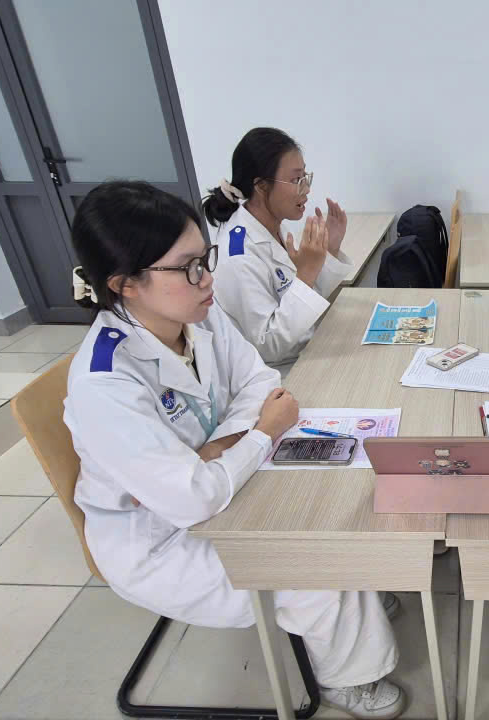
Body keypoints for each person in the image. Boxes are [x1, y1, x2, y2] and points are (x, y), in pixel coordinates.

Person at [64, 181, 406, 719]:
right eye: (187, 268)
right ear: (125, 284)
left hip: (224, 483)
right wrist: (260, 434)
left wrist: (218, 448)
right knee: (315, 558)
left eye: (205, 259)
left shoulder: (196, 313)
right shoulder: (105, 384)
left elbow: (260, 381)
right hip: (159, 541)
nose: (207, 278)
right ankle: (348, 679)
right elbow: (192, 500)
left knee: (338, 495)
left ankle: (354, 593)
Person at [202, 127, 352, 370]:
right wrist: (306, 274)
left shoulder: (271, 225)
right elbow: (268, 346)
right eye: (295, 180)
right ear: (261, 186)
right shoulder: (238, 255)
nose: (306, 189)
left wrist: (330, 250)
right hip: (279, 373)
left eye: (305, 177)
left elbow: (303, 300)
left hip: (304, 352)